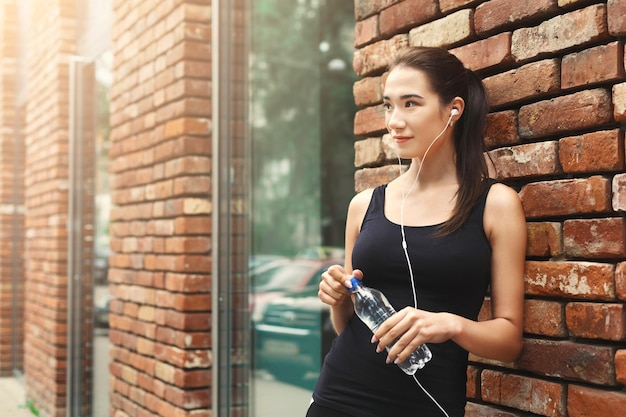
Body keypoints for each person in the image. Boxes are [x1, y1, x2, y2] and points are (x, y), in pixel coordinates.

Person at [305, 46, 526, 417]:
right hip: (337, 399)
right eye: (389, 105)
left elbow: (509, 341)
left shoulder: (495, 204)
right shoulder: (363, 205)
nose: (393, 120)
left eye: (411, 104)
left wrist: (450, 324)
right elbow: (347, 328)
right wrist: (340, 298)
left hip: (428, 404)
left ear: (453, 109)